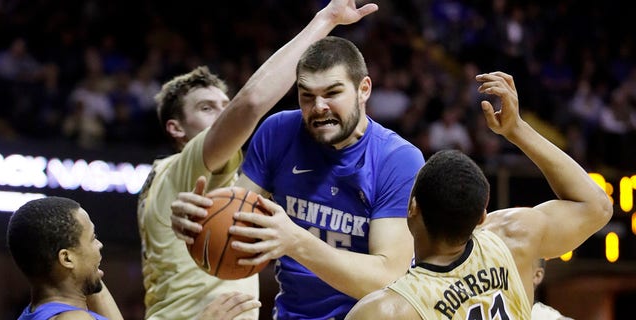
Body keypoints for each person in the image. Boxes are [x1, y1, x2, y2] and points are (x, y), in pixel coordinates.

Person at [137, 1, 379, 319]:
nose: (223, 116)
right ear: (176, 128)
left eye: (225, 105)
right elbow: (249, 104)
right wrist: (326, 20)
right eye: (207, 108)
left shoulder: (179, 181)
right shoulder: (187, 167)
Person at [172, 35, 426, 319]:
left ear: (363, 89)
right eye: (307, 95)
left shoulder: (399, 158)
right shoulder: (278, 131)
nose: (319, 106)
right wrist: (201, 220)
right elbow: (236, 222)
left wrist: (296, 241)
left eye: (332, 93)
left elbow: (387, 279)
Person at [343, 71, 613, 319]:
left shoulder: (387, 309)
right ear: (482, 216)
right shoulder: (512, 238)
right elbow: (598, 205)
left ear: (412, 207)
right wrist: (516, 129)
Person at [7, 197, 260, 320]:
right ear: (67, 258)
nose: (100, 246)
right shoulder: (72, 319)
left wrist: (87, 272)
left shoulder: (38, 312)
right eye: (93, 238)